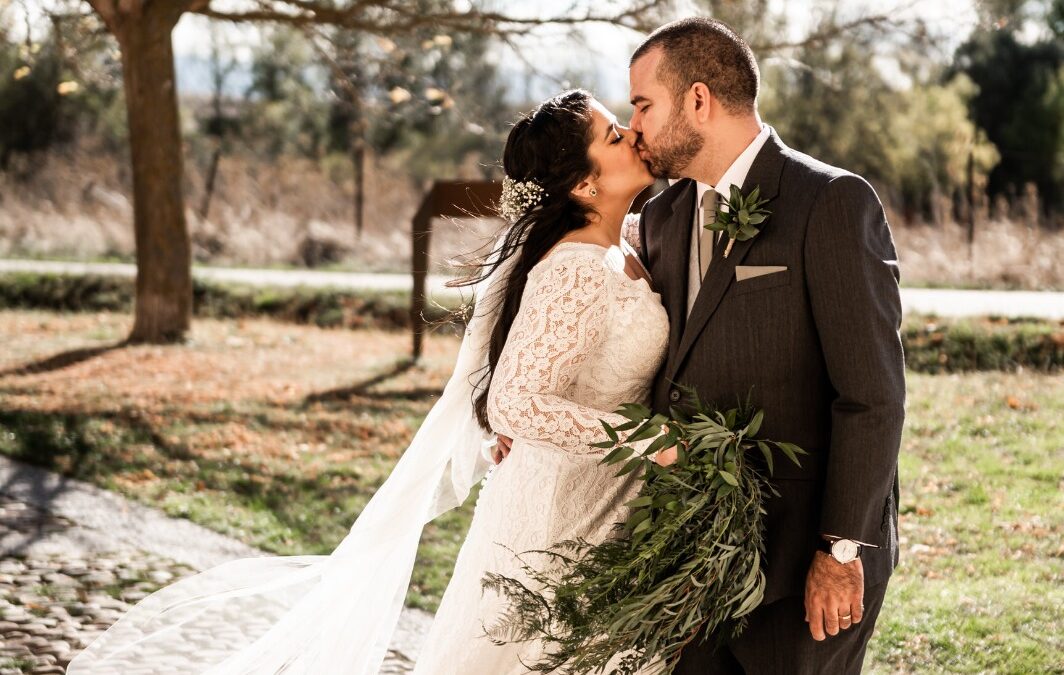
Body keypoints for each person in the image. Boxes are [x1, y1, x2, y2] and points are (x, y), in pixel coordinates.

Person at [66, 89, 672, 674]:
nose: (633, 134)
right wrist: (651, 441)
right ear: (583, 185)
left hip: (596, 500)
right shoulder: (574, 269)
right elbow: (516, 403)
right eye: (614, 135)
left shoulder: (622, 244)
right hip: (558, 523)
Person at [628, 17, 906, 674]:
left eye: (643, 105)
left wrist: (840, 551)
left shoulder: (830, 201)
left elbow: (871, 395)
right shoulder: (662, 218)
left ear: (699, 100)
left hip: (804, 564)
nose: (633, 125)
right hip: (691, 562)